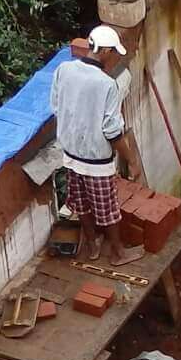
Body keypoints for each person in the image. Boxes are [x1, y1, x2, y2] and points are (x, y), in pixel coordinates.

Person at [50, 27, 143, 265]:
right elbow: (111, 131)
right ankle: (118, 254)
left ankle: (92, 246)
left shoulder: (64, 70)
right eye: (114, 54)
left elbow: (56, 106)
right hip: (96, 162)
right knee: (107, 209)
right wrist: (131, 161)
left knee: (81, 204)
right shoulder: (106, 85)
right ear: (104, 51)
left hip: (71, 155)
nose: (115, 59)